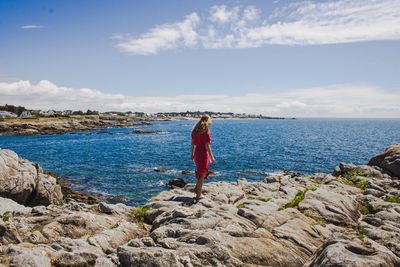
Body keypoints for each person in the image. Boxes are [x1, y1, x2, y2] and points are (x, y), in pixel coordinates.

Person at [191, 114, 215, 201]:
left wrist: (191, 154)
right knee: (203, 173)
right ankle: (198, 195)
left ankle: (197, 189)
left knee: (200, 172)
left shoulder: (195, 131)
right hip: (203, 154)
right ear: (207, 120)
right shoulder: (206, 132)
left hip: (197, 153)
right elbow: (207, 146)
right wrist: (212, 157)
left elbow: (192, 144)